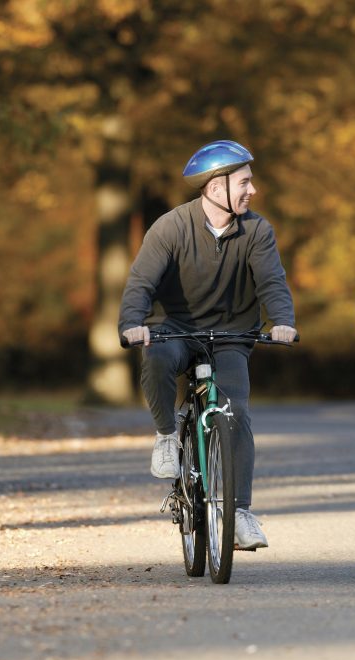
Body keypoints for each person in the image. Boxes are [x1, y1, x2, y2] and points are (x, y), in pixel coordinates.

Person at [119, 140, 297, 551]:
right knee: (157, 356)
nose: (252, 190)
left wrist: (283, 322)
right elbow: (141, 284)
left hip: (232, 335)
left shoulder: (257, 230)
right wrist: (132, 324)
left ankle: (240, 513)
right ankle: (167, 436)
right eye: (244, 182)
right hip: (177, 328)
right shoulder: (170, 227)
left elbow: (272, 281)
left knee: (236, 412)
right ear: (216, 188)